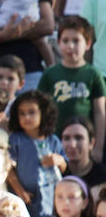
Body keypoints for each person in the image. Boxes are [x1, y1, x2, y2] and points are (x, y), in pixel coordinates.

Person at [37, 16, 104, 145]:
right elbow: (41, 110)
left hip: (84, 143)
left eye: (76, 41)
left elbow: (99, 113)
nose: (70, 46)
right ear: (58, 42)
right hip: (55, 141)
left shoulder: (93, 74)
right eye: (65, 40)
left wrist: (98, 147)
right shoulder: (50, 74)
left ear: (88, 44)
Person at [5, 89, 64, 217]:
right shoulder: (16, 140)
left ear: (43, 113)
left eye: (32, 112)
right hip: (27, 197)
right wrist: (20, 191)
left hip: (51, 197)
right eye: (22, 113)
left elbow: (64, 166)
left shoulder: (52, 140)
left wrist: (58, 160)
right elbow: (8, 168)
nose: (27, 117)